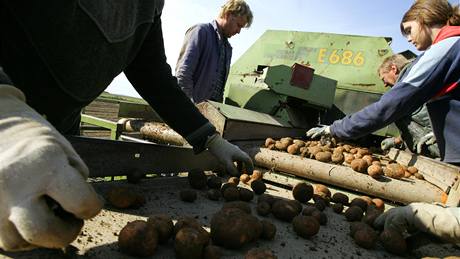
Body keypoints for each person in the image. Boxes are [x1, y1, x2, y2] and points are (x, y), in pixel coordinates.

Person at [0, 0, 253, 251]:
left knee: (43, 228)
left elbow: (153, 75)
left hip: (60, 127)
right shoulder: (201, 31)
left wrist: (209, 137)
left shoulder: (148, 6)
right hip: (10, 124)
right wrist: (6, 113)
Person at [308, 0, 460, 244]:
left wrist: (334, 128)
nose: (408, 39)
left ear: (424, 20)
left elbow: (388, 108)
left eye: (409, 30)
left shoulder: (445, 48)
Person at [175, 0, 253, 103]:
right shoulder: (200, 31)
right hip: (192, 109)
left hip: (211, 112)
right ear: (227, 15)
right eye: (238, 25)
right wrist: (190, 105)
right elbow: (183, 73)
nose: (238, 31)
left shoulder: (228, 49)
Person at [378, 54, 440, 158]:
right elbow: (416, 123)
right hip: (436, 150)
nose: (384, 84)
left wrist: (439, 133)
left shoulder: (414, 84)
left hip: (448, 150)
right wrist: (397, 140)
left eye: (383, 78)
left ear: (393, 69)